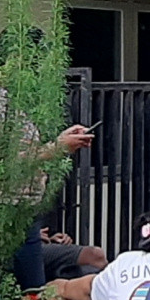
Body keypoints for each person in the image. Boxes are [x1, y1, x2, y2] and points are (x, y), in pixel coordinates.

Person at [9, 122, 100, 290]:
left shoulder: (19, 109)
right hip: (11, 214)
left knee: (94, 256)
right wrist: (57, 147)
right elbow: (7, 163)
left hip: (28, 216)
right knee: (34, 293)